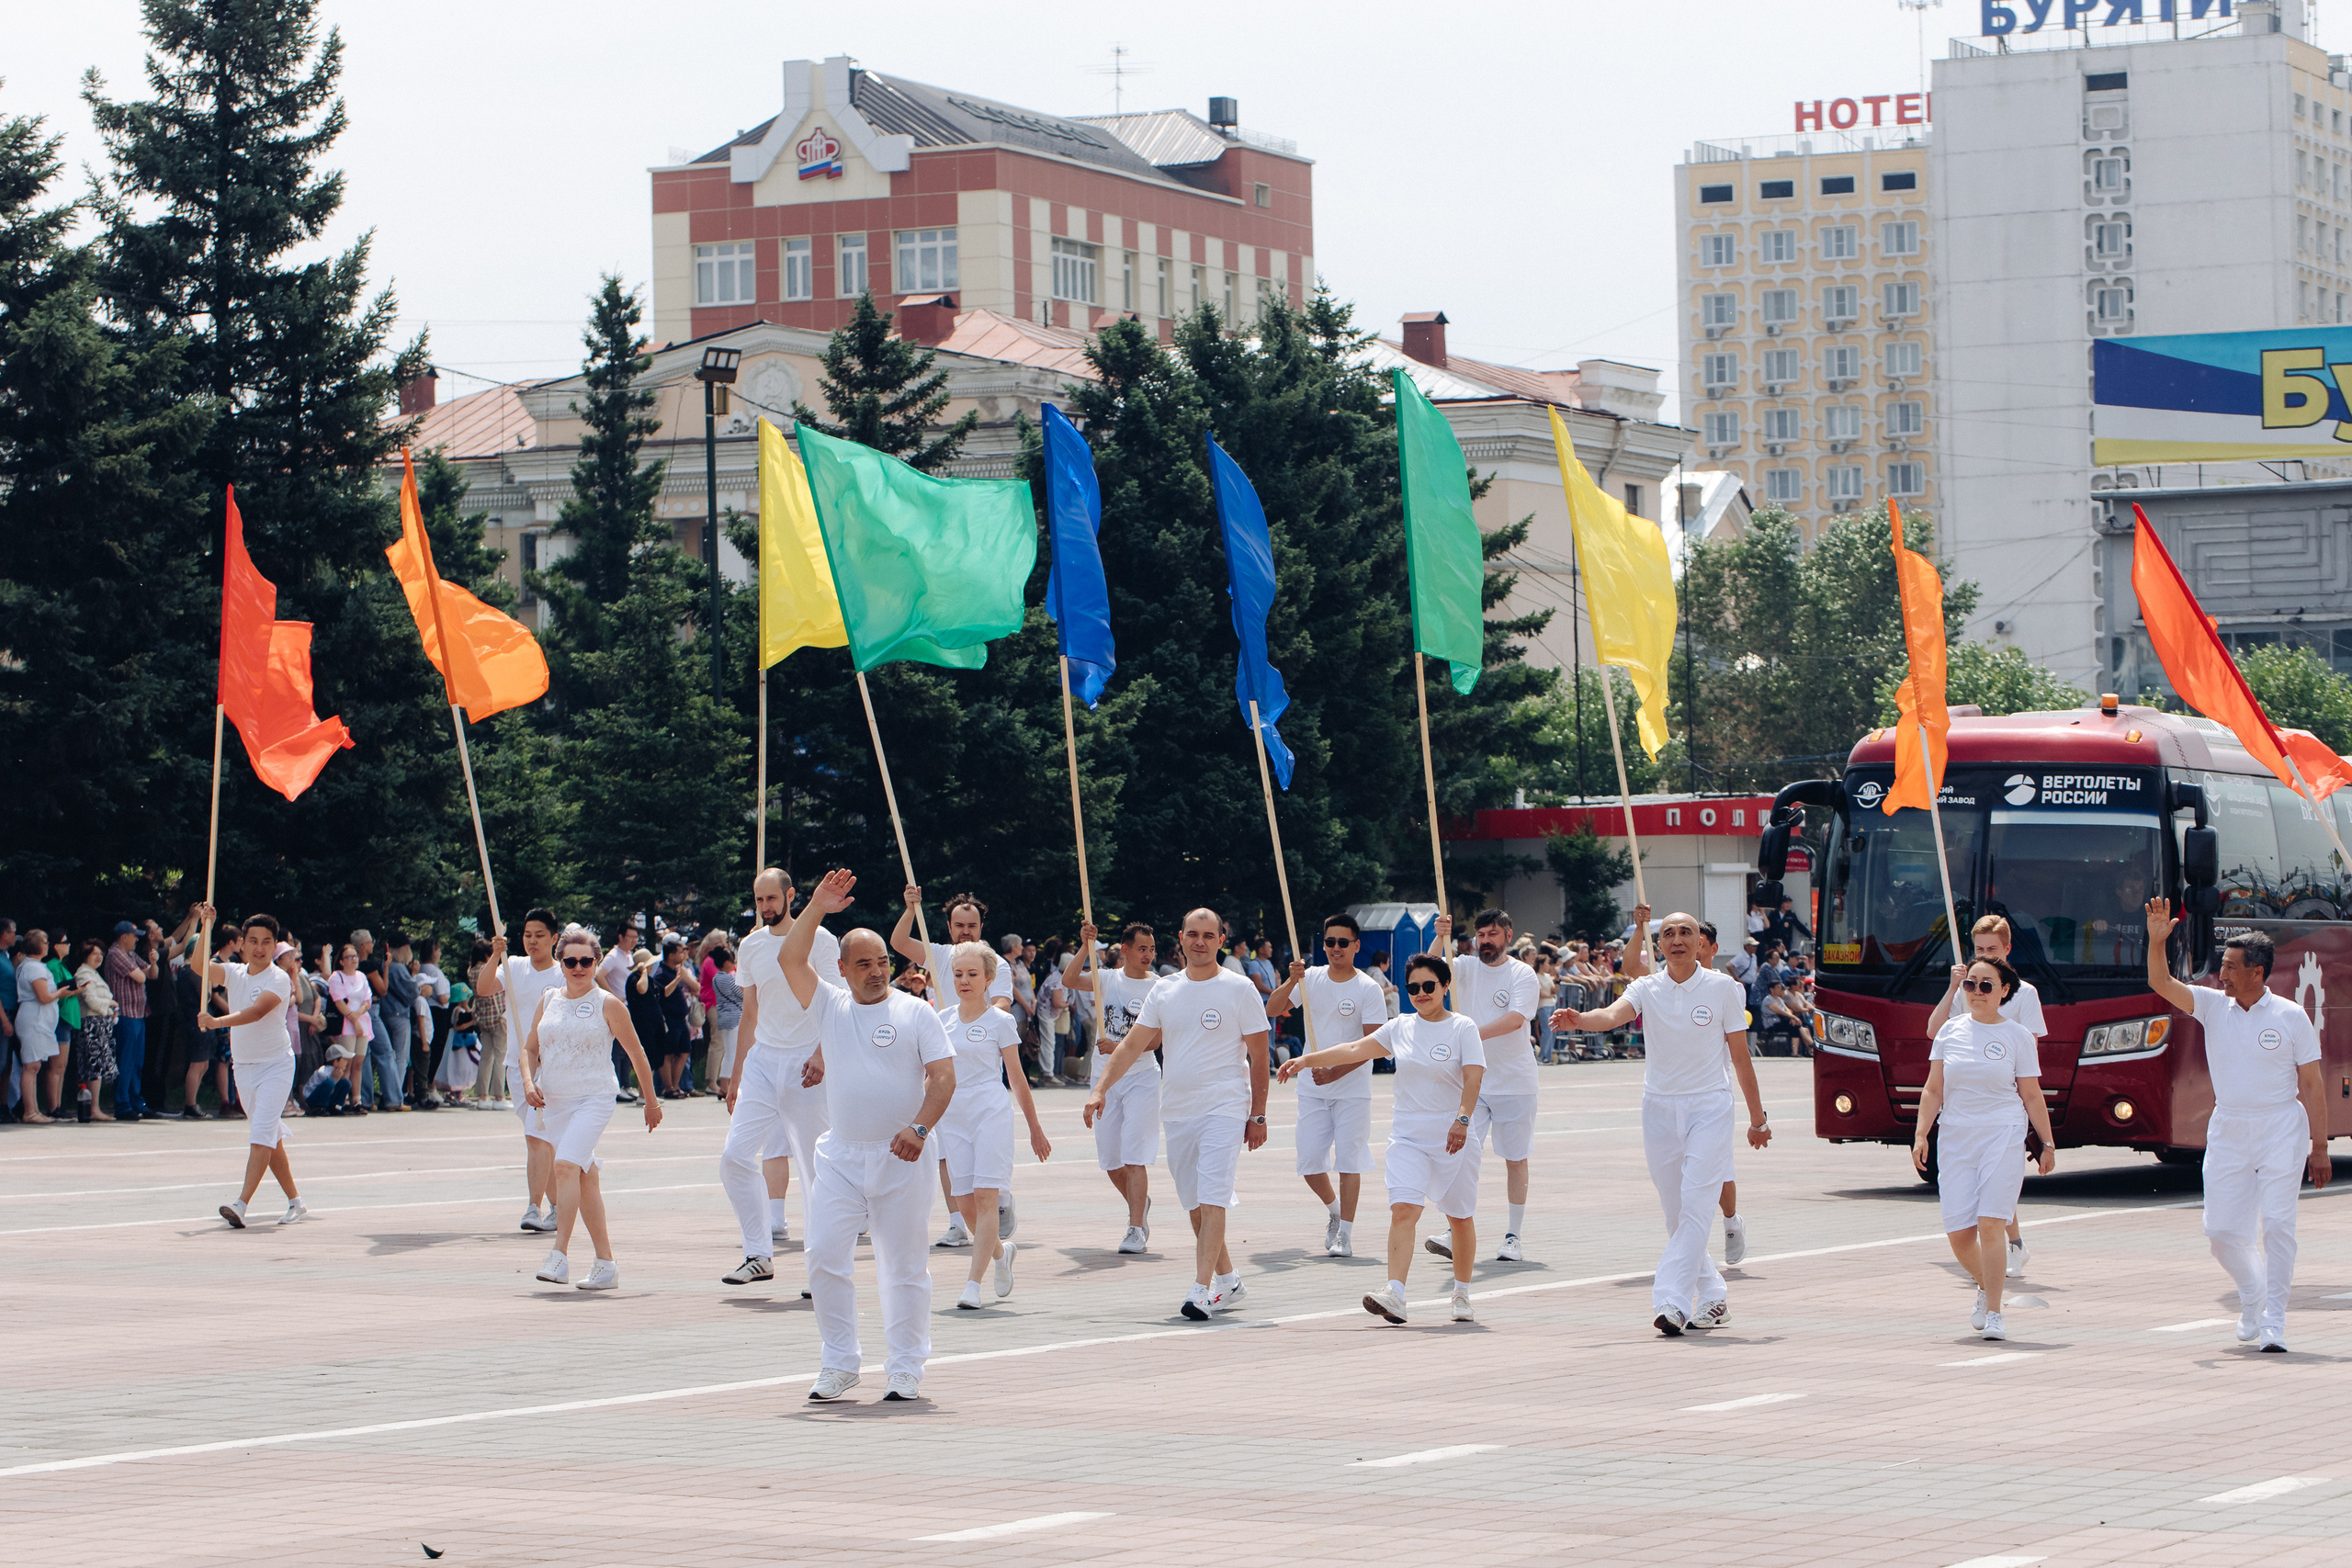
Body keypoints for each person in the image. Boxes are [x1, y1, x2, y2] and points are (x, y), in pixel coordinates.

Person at [780, 869, 957, 1403]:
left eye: (883, 962)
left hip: (902, 1158)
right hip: (839, 1157)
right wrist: (815, 906)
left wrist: (920, 1128)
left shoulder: (916, 1012)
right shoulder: (829, 1005)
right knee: (824, 1257)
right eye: (864, 964)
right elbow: (790, 958)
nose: (877, 972)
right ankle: (840, 1362)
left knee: (903, 1267)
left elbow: (944, 1077)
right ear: (841, 969)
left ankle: (905, 1367)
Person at [1556, 911, 1771, 1336]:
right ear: (1660, 945)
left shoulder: (1724, 989)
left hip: (1710, 1106)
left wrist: (1757, 1118)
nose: (1676, 940)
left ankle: (1671, 1302)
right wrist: (1580, 1020)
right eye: (1668, 933)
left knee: (1695, 1207)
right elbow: (1612, 1015)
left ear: (1702, 943)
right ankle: (1713, 1296)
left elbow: (1741, 1058)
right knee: (1676, 1215)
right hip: (1658, 1108)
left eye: (1685, 933)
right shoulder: (1647, 987)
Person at [2143, 903, 2331, 1351]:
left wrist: (2319, 1147)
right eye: (2222, 966)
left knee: (2279, 1227)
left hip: (2281, 1127)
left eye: (2229, 967)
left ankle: (2275, 1321)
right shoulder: (2212, 1005)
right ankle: (2254, 1295)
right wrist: (2156, 942)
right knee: (2221, 1233)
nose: (2220, 975)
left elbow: (2313, 1083)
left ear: (2257, 973)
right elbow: (2160, 983)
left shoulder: (2289, 1016)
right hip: (2228, 1127)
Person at [1084, 907, 1270, 1321]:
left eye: (1208, 935)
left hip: (1225, 1106)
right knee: (1195, 1204)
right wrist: (1100, 1090)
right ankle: (1229, 1280)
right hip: (1179, 1110)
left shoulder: (1239, 990)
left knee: (1213, 1196)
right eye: (1192, 934)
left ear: (1221, 940)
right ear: (1181, 938)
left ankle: (1202, 1288)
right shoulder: (1164, 990)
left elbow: (1260, 1058)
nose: (1199, 941)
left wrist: (1257, 1115)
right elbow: (1132, 1045)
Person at [1279, 952, 1485, 1324]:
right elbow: (1355, 1048)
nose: (1421, 993)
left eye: (1429, 986)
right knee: (1404, 1210)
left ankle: (1462, 1293)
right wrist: (1306, 1060)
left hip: (1453, 1135)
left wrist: (1463, 1119)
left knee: (1459, 1218)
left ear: (1445, 987)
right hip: (1408, 1135)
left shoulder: (1462, 1028)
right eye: (1413, 988)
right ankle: (1396, 1293)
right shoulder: (1400, 1026)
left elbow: (1473, 1077)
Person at [1912, 955, 2057, 1341]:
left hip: (2003, 1134)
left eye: (1986, 985)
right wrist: (1921, 1133)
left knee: (1991, 1223)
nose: (1976, 992)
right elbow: (1933, 1088)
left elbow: (2031, 1093)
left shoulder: (2017, 1036)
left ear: (2004, 991)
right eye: (1970, 984)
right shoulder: (1950, 1032)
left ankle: (1994, 1313)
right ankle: (1984, 1285)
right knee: (1960, 1235)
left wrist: (2047, 1143)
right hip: (1957, 1136)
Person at [517, 927, 662, 1290]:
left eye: (586, 961)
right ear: (561, 963)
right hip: (555, 1103)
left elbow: (636, 1053)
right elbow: (529, 1048)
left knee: (564, 1166)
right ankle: (606, 1263)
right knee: (585, 1177)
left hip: (594, 1098)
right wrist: (528, 1082)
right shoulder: (549, 999)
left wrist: (651, 1101)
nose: (578, 967)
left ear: (597, 961)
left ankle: (559, 1255)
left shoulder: (608, 1003)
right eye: (570, 961)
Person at [720, 869, 840, 1287]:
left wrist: (823, 1053)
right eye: (759, 901)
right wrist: (735, 1076)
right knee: (734, 1158)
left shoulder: (822, 941)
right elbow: (748, 1014)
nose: (766, 907)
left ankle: (820, 1266)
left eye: (773, 898)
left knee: (813, 1169)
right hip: (762, 1064)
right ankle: (758, 1254)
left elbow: (835, 1006)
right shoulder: (750, 945)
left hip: (808, 1065)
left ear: (791, 895)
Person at [1926, 914, 2050, 1280]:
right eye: (1978, 949)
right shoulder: (1970, 988)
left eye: (1991, 949)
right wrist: (1953, 988)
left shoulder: (2024, 994)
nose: (1984, 954)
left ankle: (2011, 1247)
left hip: (2004, 1103)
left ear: (2008, 950)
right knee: (1985, 1188)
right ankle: (2013, 1247)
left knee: (1996, 1185)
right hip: (1965, 1106)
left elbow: (2027, 1053)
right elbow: (1935, 1030)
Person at [936, 942, 1052, 1308]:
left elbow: (1017, 1079)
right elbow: (932, 1077)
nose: (965, 981)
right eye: (958, 974)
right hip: (953, 1118)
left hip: (990, 1112)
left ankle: (973, 1285)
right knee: (966, 1205)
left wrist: (1035, 1129)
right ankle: (1001, 1254)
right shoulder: (942, 1021)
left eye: (972, 974)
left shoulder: (1000, 1021)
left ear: (988, 979)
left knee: (987, 1200)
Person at [1265, 913, 1385, 1258]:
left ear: (1356, 946)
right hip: (1312, 1088)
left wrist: (1335, 1072)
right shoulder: (1310, 979)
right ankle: (1334, 1211)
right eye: (1330, 942)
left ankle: (1346, 1233)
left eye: (1343, 943)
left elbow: (1374, 1044)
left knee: (1349, 1161)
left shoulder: (1367, 988)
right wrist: (1291, 981)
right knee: (1310, 1163)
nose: (1335, 948)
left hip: (1351, 1090)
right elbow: (1273, 1009)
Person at [1425, 908, 1540, 1264]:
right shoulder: (1465, 967)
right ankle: (1453, 1226)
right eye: (1481, 935)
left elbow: (1515, 1019)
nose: (1486, 941)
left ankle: (1513, 1236)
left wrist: (1470, 1034)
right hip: (1472, 1081)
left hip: (1514, 1081)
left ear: (1507, 935)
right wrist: (1439, 935)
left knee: (1514, 1158)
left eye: (1492, 934)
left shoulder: (1523, 974)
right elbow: (1429, 970)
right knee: (1459, 1153)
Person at [201, 914, 307, 1227]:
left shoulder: (279, 978)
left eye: (266, 942)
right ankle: (296, 1202)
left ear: (274, 946)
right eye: (253, 941)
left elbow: (257, 1013)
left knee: (261, 1131)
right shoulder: (234, 973)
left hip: (276, 1065)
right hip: (244, 1067)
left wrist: (217, 1022)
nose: (259, 948)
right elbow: (198, 967)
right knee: (269, 1136)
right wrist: (204, 929)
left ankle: (241, 1204)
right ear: (242, 945)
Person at [1061, 922, 1160, 1253]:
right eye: (1142, 948)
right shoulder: (1107, 979)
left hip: (1142, 1077)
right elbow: (1069, 980)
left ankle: (1135, 1228)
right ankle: (1139, 1203)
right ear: (1126, 950)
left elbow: (1158, 1038)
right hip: (1104, 1078)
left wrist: (1118, 1044)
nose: (1148, 955)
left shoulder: (1158, 987)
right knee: (1111, 1161)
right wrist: (1084, 946)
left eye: (1152, 949)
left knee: (1135, 1157)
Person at [476, 910, 568, 1235]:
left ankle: (534, 1206)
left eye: (540, 934)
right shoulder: (513, 966)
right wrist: (496, 954)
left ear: (554, 938)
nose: (532, 940)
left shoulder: (563, 974)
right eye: (528, 934)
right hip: (517, 1065)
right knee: (544, 1140)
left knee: (536, 1135)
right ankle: (559, 1207)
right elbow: (484, 988)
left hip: (548, 1067)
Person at [102, 920, 163, 1120]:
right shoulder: (115, 954)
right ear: (123, 936)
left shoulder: (129, 954)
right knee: (125, 1062)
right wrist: (145, 969)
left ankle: (137, 1102)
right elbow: (141, 977)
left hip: (138, 1015)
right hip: (125, 1015)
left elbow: (152, 974)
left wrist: (154, 962)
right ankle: (122, 1104)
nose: (137, 939)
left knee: (137, 1062)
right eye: (134, 935)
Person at [13, 929, 66, 1122]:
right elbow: (43, 997)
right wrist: (59, 993)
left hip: (39, 1020)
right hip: (33, 1019)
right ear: (36, 946)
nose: (47, 945)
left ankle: (34, 1109)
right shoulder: (34, 968)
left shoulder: (33, 965)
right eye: (44, 942)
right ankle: (30, 1112)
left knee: (34, 1065)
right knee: (31, 1065)